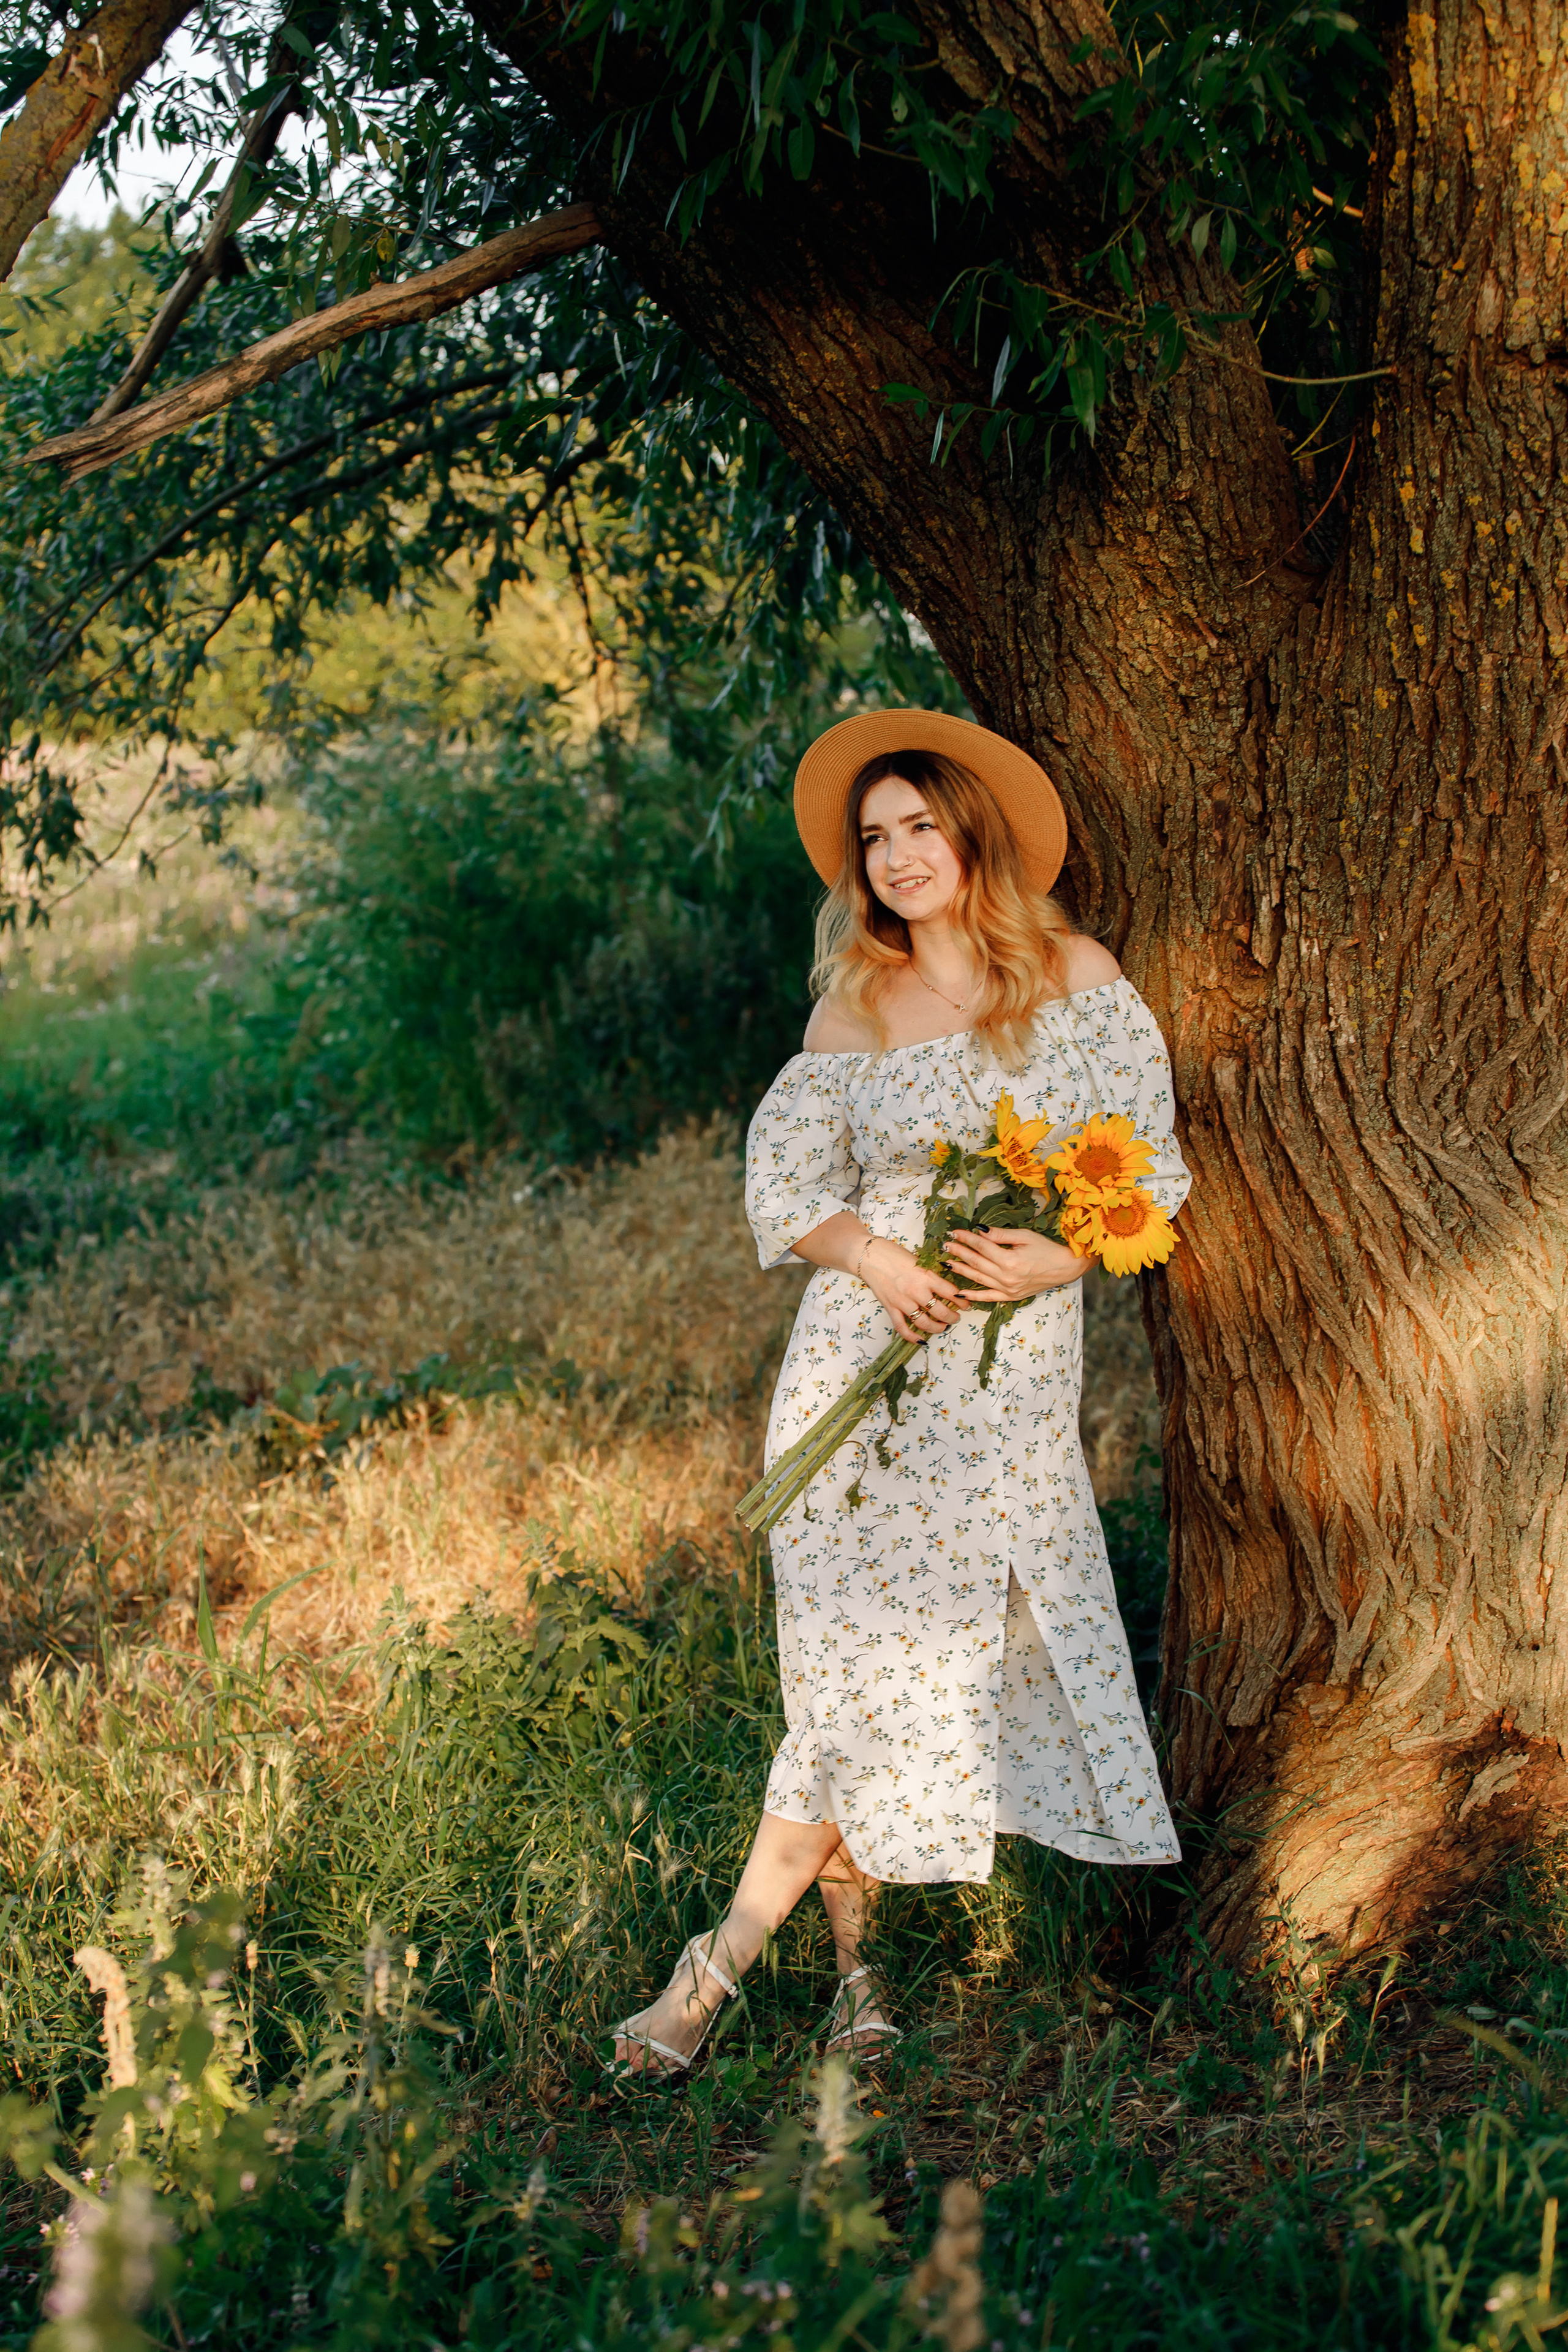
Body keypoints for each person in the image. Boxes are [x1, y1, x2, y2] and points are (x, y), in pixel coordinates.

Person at [610, 708, 1191, 2076]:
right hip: (858, 1383)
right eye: (873, 839)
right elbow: (784, 1188)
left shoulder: (1077, 977)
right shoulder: (854, 1008)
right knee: (841, 1680)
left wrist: (1061, 1253)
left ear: (971, 833)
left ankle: (731, 1969)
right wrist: (875, 1256)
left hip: (1004, 1390)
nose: (896, 857)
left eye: (918, 826)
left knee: (922, 1664)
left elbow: (1153, 1169)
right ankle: (808, 1976)